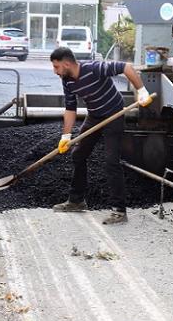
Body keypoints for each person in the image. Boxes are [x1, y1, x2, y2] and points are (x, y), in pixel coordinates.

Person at [50, 47, 153, 225]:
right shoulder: (67, 81)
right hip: (94, 116)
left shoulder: (94, 68)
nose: (55, 71)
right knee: (78, 154)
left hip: (114, 115)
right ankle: (77, 201)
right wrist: (66, 135)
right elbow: (70, 108)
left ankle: (119, 211)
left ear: (67, 64)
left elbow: (126, 67)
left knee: (111, 161)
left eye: (57, 67)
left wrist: (141, 90)